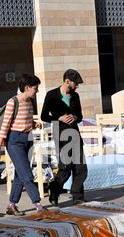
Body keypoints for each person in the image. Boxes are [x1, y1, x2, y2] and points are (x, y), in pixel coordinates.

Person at [0, 74, 45, 215]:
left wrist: (35, 124)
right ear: (27, 88)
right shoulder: (13, 102)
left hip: (27, 139)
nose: (37, 91)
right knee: (27, 175)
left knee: (20, 174)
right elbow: (5, 126)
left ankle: (12, 205)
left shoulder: (29, 102)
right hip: (14, 141)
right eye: (35, 88)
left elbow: (25, 121)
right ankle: (38, 204)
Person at [41, 69, 87, 206]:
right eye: (76, 83)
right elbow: (44, 116)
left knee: (80, 168)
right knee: (65, 168)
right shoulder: (52, 95)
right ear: (67, 81)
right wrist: (59, 117)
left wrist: (75, 116)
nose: (77, 86)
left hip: (75, 134)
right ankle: (54, 192)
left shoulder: (75, 96)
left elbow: (80, 116)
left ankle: (77, 197)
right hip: (61, 135)